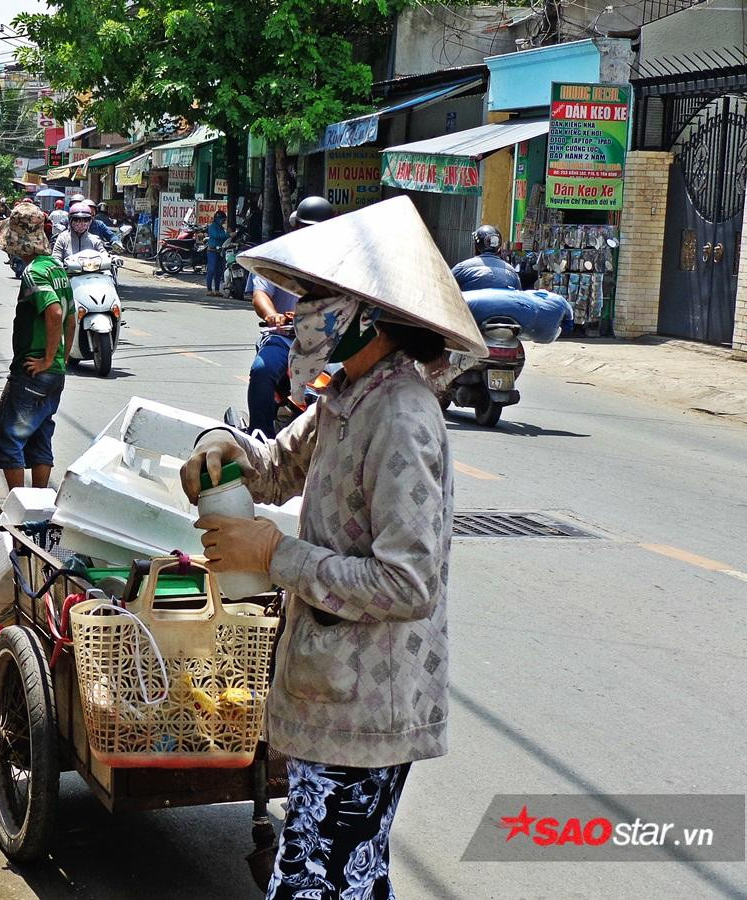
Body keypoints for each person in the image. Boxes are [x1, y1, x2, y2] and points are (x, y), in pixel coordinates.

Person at [181, 196, 486, 900]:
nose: (301, 312)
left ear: (370, 319)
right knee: (342, 879)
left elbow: (409, 585)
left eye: (319, 300)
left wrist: (275, 555)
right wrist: (218, 446)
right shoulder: (345, 396)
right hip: (327, 692)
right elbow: (273, 468)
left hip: (367, 705)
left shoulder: (403, 417)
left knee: (320, 883)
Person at [0, 201, 76, 491]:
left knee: (7, 438)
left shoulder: (34, 272)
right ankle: (39, 506)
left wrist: (47, 358)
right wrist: (60, 357)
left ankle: (19, 508)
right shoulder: (57, 269)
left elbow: (55, 312)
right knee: (40, 436)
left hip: (33, 370)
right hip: (55, 372)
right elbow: (72, 317)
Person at [246, 195, 335, 437]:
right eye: (305, 228)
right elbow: (260, 294)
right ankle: (260, 436)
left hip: (329, 343)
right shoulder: (278, 257)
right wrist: (273, 315)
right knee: (261, 371)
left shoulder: (339, 261)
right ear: (296, 227)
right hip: (284, 338)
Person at [450, 225, 520, 291]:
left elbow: (445, 287)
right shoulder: (511, 271)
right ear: (499, 247)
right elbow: (518, 295)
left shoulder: (462, 268)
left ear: (476, 246)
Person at [205, 209, 228, 296]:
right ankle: (209, 289)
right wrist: (228, 235)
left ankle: (217, 290)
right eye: (222, 219)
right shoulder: (212, 227)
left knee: (218, 271)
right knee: (211, 270)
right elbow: (216, 236)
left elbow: (223, 238)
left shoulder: (222, 228)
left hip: (220, 251)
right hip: (212, 251)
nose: (223, 221)